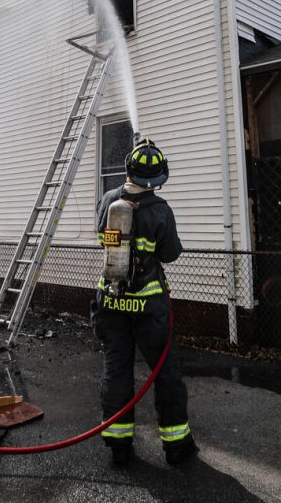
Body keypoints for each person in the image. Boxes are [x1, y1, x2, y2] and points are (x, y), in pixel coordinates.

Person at [90, 137, 196, 467]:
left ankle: (119, 445)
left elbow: (100, 239)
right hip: (149, 306)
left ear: (128, 170)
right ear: (159, 177)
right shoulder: (160, 209)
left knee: (117, 370)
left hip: (110, 301)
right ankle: (177, 446)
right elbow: (170, 253)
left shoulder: (108, 200)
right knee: (165, 374)